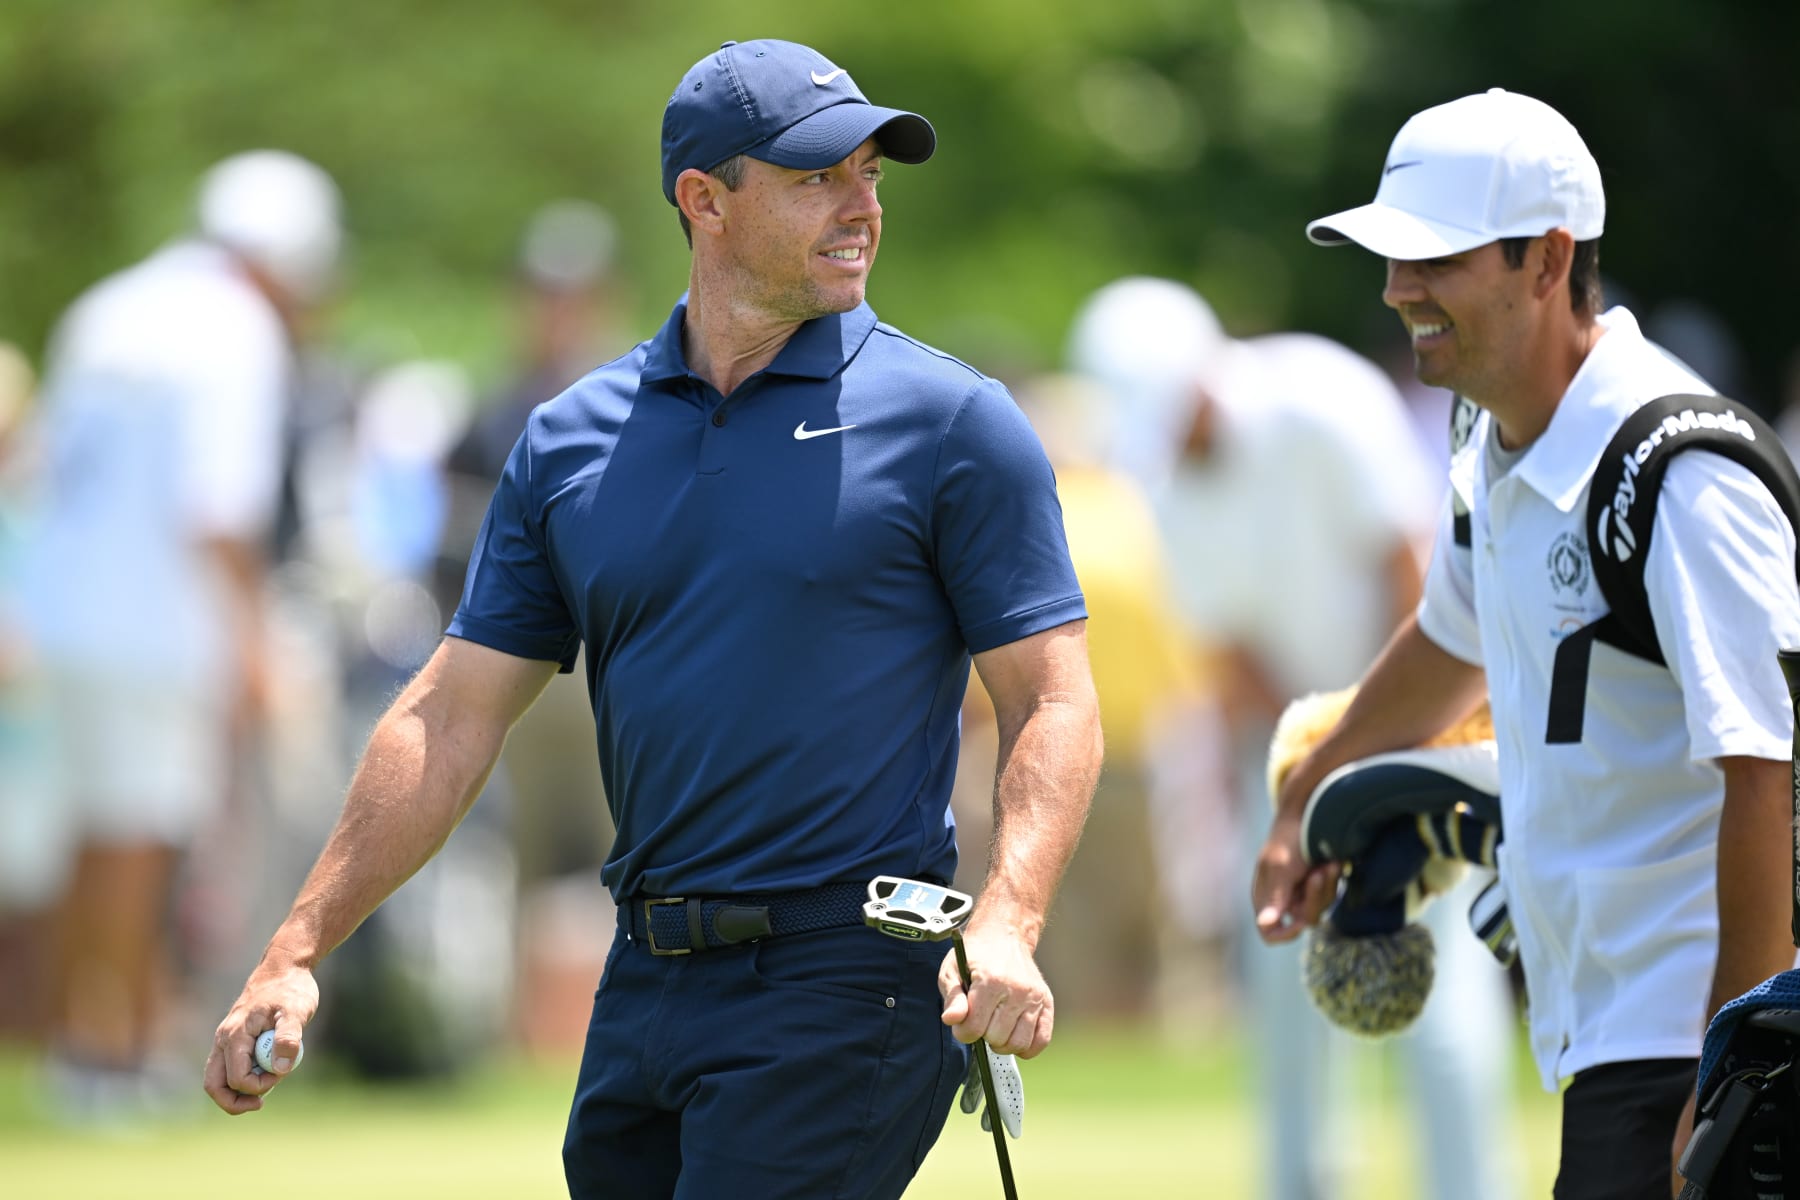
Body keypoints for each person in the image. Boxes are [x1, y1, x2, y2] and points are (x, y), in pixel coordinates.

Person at [203, 37, 1101, 1200]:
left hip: (850, 976)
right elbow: (452, 713)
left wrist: (1012, 916)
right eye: (816, 177)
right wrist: (297, 947)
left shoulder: (954, 425)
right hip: (644, 984)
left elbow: (1053, 697)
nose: (860, 208)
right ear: (703, 199)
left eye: (871, 176)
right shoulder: (568, 440)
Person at [1253, 88, 1800, 1197]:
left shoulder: (1680, 472)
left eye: (1436, 260)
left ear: (1547, 261)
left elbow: (1767, 771)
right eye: (1392, 259)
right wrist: (1307, 795)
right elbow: (1448, 634)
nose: (1399, 289)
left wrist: (1743, 1061)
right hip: (1603, 1037)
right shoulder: (1487, 434)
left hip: (1685, 1043)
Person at [1072, 276, 1518, 1199]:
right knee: (1286, 981)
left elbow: (1415, 576)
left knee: (1442, 1005)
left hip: (1417, 719)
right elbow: (1230, 657)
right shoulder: (1157, 481)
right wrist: (1313, 778)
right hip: (1289, 749)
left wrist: (1383, 751)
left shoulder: (1320, 396)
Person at [24, 150, 342, 1117]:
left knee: (86, 839)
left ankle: (76, 1050)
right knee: (141, 839)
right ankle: (111, 1063)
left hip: (60, 611)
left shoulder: (112, 305)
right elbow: (217, 512)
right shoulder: (233, 331)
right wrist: (254, 648)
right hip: (153, 620)